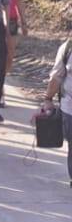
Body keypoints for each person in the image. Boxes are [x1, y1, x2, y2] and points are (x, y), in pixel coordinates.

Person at [45, 36, 72, 189]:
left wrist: (48, 98)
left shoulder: (67, 47)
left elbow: (56, 78)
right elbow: (56, 78)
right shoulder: (67, 48)